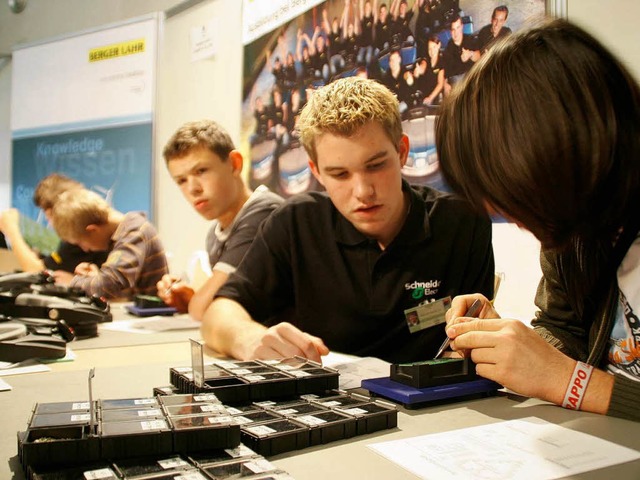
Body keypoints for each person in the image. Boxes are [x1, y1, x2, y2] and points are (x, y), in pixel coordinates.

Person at [201, 76, 495, 363]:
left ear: (402, 151)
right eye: (340, 174)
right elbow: (219, 313)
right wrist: (248, 339)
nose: (363, 192)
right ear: (316, 172)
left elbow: (472, 332)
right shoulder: (294, 225)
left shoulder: (462, 223)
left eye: (376, 165)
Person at [435, 19, 640, 421]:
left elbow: (566, 375)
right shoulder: (574, 231)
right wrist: (507, 341)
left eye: (513, 197)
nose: (514, 219)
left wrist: (572, 383)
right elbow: (564, 330)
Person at [157, 120, 283, 320]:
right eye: (181, 180)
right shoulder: (215, 234)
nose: (193, 189)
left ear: (234, 164)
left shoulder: (265, 214)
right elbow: (224, 303)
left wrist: (197, 302)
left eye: (201, 171)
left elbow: (204, 308)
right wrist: (191, 298)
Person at [51, 189, 168, 300]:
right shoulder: (124, 234)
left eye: (80, 243)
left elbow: (110, 285)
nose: (85, 249)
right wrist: (95, 277)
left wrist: (71, 282)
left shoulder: (135, 232)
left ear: (93, 230)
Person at [0, 173, 108, 273]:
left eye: (50, 216)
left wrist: (12, 230)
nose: (51, 224)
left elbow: (36, 271)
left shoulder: (77, 238)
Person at [441, 14, 480, 94]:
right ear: (450, 31)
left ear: (462, 26)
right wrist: (445, 84)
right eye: (453, 29)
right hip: (457, 83)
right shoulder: (448, 49)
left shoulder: (470, 39)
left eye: (458, 28)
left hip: (471, 77)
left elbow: (479, 56)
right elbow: (445, 72)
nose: (456, 33)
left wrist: (470, 54)